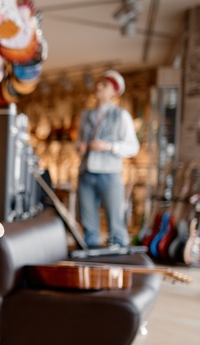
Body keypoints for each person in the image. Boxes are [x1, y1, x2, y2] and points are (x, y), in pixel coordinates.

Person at [75, 70, 140, 248]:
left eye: (104, 85)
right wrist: (79, 147)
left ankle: (118, 261)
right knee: (88, 223)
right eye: (99, 83)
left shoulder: (122, 116)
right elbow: (78, 142)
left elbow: (133, 147)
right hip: (85, 172)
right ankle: (90, 257)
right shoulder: (86, 115)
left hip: (109, 173)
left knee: (115, 223)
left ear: (114, 91)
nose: (99, 87)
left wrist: (108, 146)